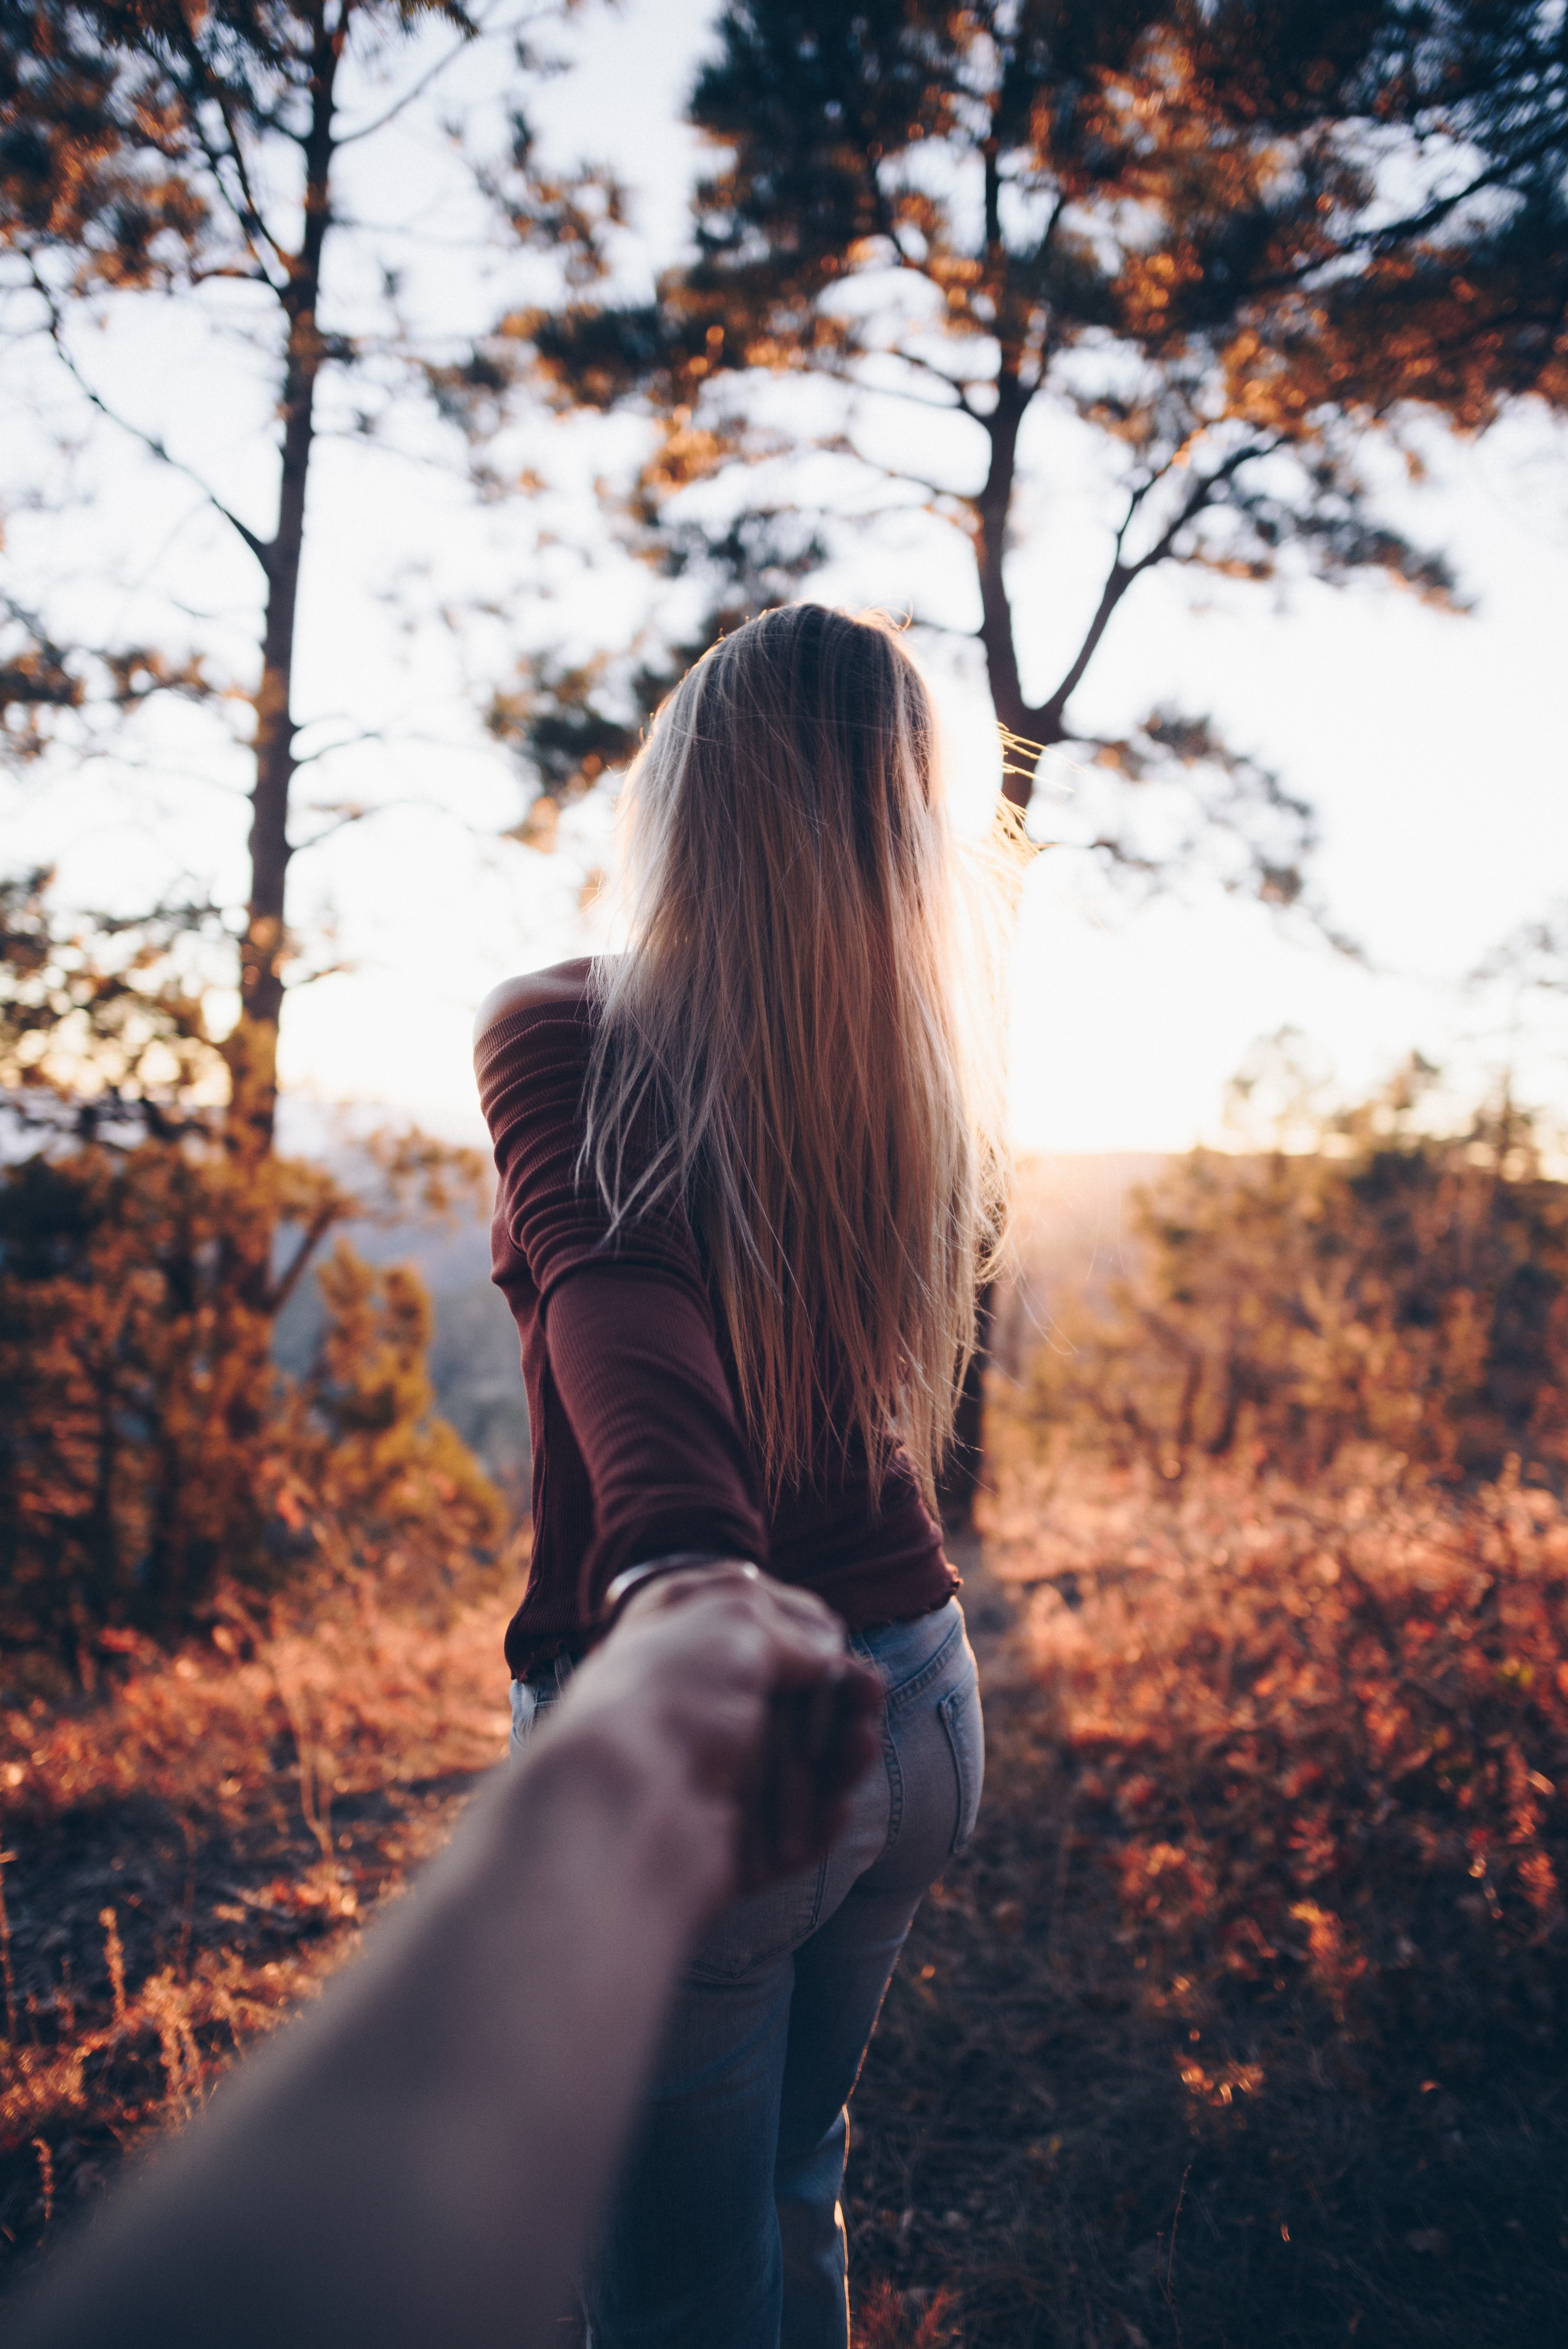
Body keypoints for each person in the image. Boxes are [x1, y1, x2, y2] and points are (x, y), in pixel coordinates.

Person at [474, 603, 1020, 2348]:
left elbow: (609, 1298)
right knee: (798, 2180)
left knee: (665, 2291)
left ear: (683, 805)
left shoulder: (558, 1025)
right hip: (920, 1695)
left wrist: (687, 1576)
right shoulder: (915, 1063)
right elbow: (641, 1303)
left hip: (711, 1724)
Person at [8, 1568, 882, 2349]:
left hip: (738, 1720)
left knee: (676, 2269)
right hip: (923, 1670)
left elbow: (674, 1537)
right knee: (796, 2157)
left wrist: (604, 1757)